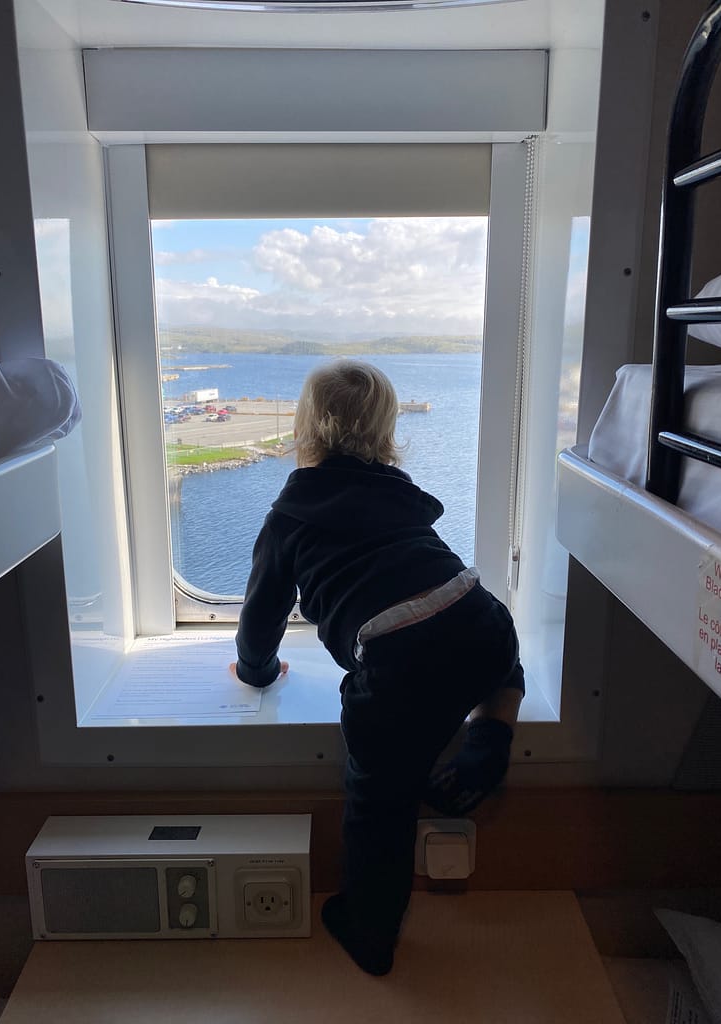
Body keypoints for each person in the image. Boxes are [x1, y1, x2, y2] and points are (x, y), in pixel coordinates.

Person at [230, 360, 524, 976]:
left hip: (398, 661)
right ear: (388, 435)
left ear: (303, 432)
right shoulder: (402, 494)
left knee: (378, 799)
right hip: (476, 612)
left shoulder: (288, 519)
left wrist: (257, 671)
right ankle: (492, 728)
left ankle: (368, 930)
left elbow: (261, 621)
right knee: (496, 651)